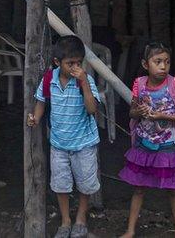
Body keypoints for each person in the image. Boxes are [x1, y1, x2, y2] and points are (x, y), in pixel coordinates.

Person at [26, 36, 101, 238]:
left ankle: (81, 218)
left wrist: (84, 82)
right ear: (57, 63)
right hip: (59, 143)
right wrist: (36, 118)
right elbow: (41, 101)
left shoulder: (85, 80)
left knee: (85, 182)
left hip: (84, 143)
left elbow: (92, 109)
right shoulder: (49, 79)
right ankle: (66, 220)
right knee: (61, 183)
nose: (75, 67)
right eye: (70, 63)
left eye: (79, 62)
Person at [119, 42, 175, 238]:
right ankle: (130, 230)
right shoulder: (139, 84)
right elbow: (132, 112)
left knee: (173, 189)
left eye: (167, 62)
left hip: (167, 146)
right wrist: (140, 111)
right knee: (138, 189)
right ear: (146, 64)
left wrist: (163, 117)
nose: (163, 66)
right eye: (158, 61)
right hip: (144, 144)